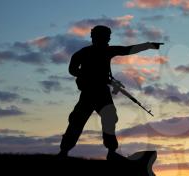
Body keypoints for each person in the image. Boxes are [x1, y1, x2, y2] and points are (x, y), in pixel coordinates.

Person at [58, 25, 163, 160]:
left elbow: (126, 50)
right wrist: (89, 75)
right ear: (96, 36)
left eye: (108, 36)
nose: (108, 38)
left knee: (108, 119)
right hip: (90, 93)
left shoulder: (105, 50)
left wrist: (149, 46)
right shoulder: (84, 52)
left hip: (101, 92)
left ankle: (111, 151)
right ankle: (64, 151)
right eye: (106, 36)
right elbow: (72, 70)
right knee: (77, 121)